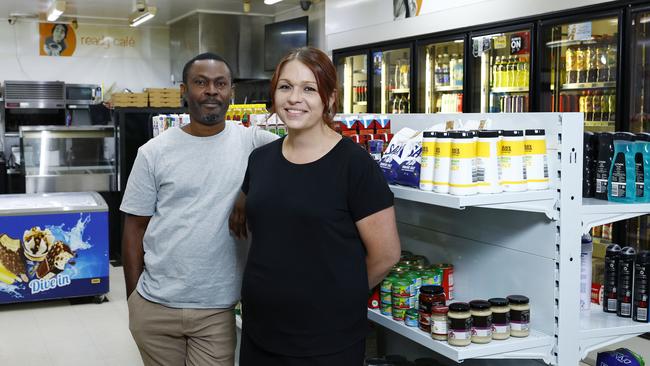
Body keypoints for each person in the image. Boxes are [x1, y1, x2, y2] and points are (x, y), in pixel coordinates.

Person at [229, 46, 401, 365]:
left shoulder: (354, 165)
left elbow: (386, 254)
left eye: (309, 88)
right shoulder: (261, 159)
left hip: (327, 341)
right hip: (260, 332)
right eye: (285, 87)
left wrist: (336, 297)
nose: (295, 98)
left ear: (330, 98)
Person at [120, 52, 277, 366]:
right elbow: (134, 228)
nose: (211, 91)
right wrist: (134, 299)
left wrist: (244, 194)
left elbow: (303, 147)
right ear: (184, 91)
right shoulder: (153, 152)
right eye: (200, 82)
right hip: (155, 306)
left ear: (231, 91)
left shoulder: (254, 143)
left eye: (220, 83)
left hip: (216, 311)